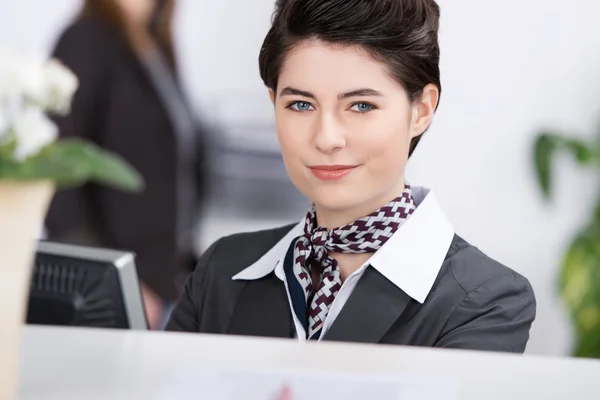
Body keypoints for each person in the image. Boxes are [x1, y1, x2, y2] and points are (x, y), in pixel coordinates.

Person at [166, 0, 536, 352]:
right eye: (300, 104)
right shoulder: (221, 269)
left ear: (421, 110)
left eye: (361, 106)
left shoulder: (484, 299)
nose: (326, 138)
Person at [45, 0, 209, 329]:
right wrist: (111, 284)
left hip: (170, 285)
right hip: (124, 292)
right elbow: (57, 175)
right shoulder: (85, 39)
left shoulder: (156, 46)